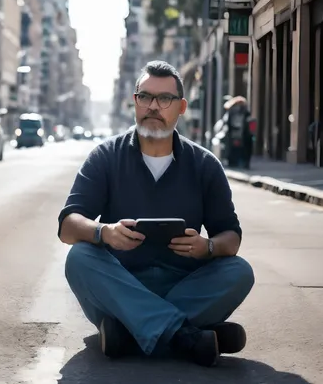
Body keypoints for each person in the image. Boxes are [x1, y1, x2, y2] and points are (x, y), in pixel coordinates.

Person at [58, 61, 255, 368]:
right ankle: (187, 335)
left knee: (239, 271)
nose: (153, 106)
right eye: (145, 97)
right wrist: (103, 232)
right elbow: (68, 226)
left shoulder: (205, 165)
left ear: (181, 107)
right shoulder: (105, 156)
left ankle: (128, 333)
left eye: (164, 99)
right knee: (79, 257)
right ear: (134, 102)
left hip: (183, 286)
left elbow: (231, 237)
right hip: (119, 288)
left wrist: (208, 247)